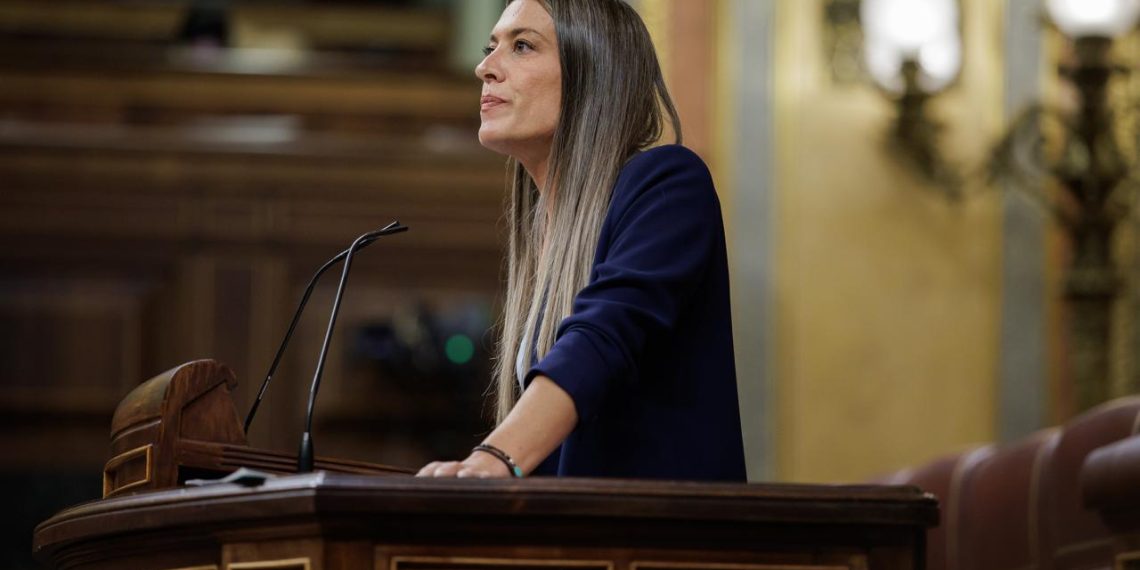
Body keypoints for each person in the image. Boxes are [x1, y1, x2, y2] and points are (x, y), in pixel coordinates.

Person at [416, 0, 746, 480]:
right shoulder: (546, 232)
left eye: (522, 46)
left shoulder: (669, 183)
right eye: (491, 48)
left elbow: (601, 337)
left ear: (593, 72)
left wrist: (494, 459)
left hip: (660, 524)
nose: (484, 68)